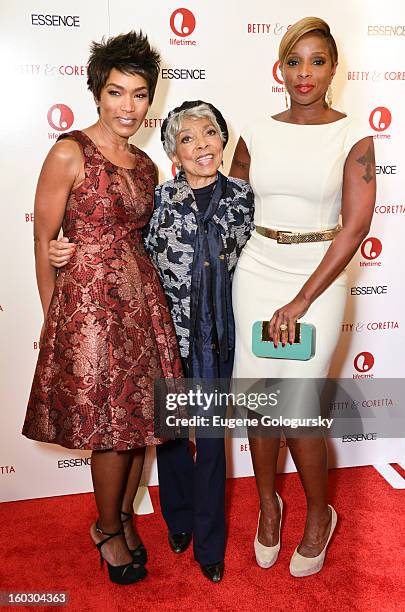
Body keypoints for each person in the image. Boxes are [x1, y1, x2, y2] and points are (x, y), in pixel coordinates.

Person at [49, 100, 255, 582]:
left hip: (219, 338)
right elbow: (115, 239)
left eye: (210, 133)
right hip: (166, 335)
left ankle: (209, 545)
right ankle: (178, 521)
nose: (201, 144)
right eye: (187, 138)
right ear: (173, 154)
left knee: (211, 439)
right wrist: (66, 245)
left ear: (222, 141)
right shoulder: (160, 201)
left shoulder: (245, 198)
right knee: (171, 440)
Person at [22, 31, 183, 585]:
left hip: (141, 302)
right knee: (111, 431)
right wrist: (54, 319)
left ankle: (119, 518)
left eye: (139, 95)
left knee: (141, 425)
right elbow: (45, 243)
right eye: (117, 92)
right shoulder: (69, 151)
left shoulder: (145, 165)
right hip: (88, 311)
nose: (128, 107)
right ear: (97, 93)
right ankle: (107, 528)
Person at [230, 16, 376, 577]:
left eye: (317, 61)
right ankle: (269, 506)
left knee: (299, 407)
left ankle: (320, 515)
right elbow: (232, 208)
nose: (305, 73)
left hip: (320, 276)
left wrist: (300, 301)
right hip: (259, 269)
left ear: (332, 67)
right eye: (295, 62)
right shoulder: (256, 133)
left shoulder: (353, 134)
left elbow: (355, 225)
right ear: (280, 69)